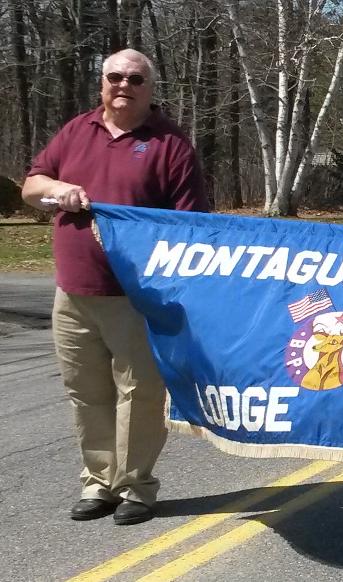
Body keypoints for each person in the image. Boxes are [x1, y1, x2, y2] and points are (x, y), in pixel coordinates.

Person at [20, 49, 210, 526]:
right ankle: (98, 482)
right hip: (73, 291)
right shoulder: (75, 130)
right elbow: (31, 185)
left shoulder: (170, 144)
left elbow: (191, 227)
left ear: (150, 87)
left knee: (140, 393)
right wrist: (55, 190)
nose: (123, 84)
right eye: (114, 77)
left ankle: (136, 488)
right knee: (86, 392)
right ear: (102, 83)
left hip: (135, 296)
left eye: (135, 78)